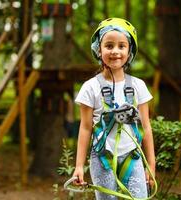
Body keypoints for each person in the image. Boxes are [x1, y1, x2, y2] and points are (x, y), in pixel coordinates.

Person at [72, 18, 156, 199]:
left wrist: (151, 166)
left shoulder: (137, 86)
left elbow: (146, 128)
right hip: (103, 158)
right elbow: (85, 128)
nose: (115, 51)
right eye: (109, 46)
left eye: (121, 46)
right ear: (98, 49)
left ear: (129, 50)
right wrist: (79, 166)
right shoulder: (90, 87)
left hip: (132, 157)